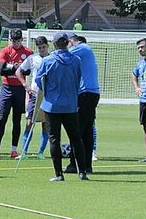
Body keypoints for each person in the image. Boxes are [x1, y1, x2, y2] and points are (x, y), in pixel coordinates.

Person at [35, 32, 88, 181]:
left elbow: (39, 82)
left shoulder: (48, 61)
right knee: (76, 138)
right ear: (67, 43)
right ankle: (82, 172)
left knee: (54, 139)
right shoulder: (76, 60)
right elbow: (78, 78)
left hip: (52, 105)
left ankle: (59, 174)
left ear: (54, 44)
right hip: (70, 105)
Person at [0, 28, 33, 159]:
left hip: (20, 89)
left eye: (18, 41)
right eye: (14, 41)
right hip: (7, 88)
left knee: (17, 119)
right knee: (2, 118)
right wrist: (16, 68)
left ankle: (14, 149)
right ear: (10, 40)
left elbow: (27, 71)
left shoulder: (28, 52)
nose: (16, 43)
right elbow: (2, 70)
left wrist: (12, 68)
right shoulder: (5, 51)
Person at [65, 33, 100, 174]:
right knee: (85, 131)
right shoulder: (83, 52)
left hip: (85, 94)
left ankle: (75, 164)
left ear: (70, 41)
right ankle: (85, 165)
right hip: (89, 94)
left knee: (77, 130)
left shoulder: (83, 48)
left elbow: (62, 53)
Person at [15, 35, 50, 160]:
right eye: (40, 48)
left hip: (48, 96)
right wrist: (26, 85)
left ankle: (41, 152)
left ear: (48, 46)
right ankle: (24, 152)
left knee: (46, 124)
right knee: (29, 123)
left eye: (44, 47)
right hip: (34, 95)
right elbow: (18, 71)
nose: (42, 50)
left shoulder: (52, 58)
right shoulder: (32, 59)